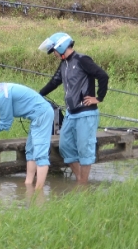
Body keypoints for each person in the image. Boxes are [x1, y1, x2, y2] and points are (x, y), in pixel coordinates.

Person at [38, 32, 109, 185]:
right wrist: (37, 95)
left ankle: (82, 185)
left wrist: (98, 98)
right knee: (65, 147)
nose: (54, 55)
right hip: (71, 114)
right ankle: (80, 180)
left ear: (61, 47)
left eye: (54, 51)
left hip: (86, 114)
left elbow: (103, 76)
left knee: (85, 149)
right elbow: (54, 82)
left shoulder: (82, 60)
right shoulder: (64, 64)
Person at [0, 81, 54, 191]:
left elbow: (6, 122)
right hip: (36, 117)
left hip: (42, 114)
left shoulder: (1, 96)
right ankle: (28, 184)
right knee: (30, 150)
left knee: (40, 153)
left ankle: (38, 190)